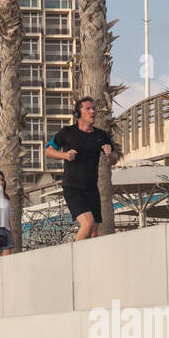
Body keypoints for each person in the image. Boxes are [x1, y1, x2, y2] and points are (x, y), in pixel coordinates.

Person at [47, 97, 117, 241]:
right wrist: (65, 155)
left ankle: (88, 256)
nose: (93, 111)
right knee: (87, 223)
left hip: (92, 189)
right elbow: (48, 151)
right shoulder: (67, 132)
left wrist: (109, 154)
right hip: (73, 188)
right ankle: (73, 254)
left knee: (94, 231)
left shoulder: (101, 135)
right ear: (78, 114)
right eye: (88, 109)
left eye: (93, 108)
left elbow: (114, 159)